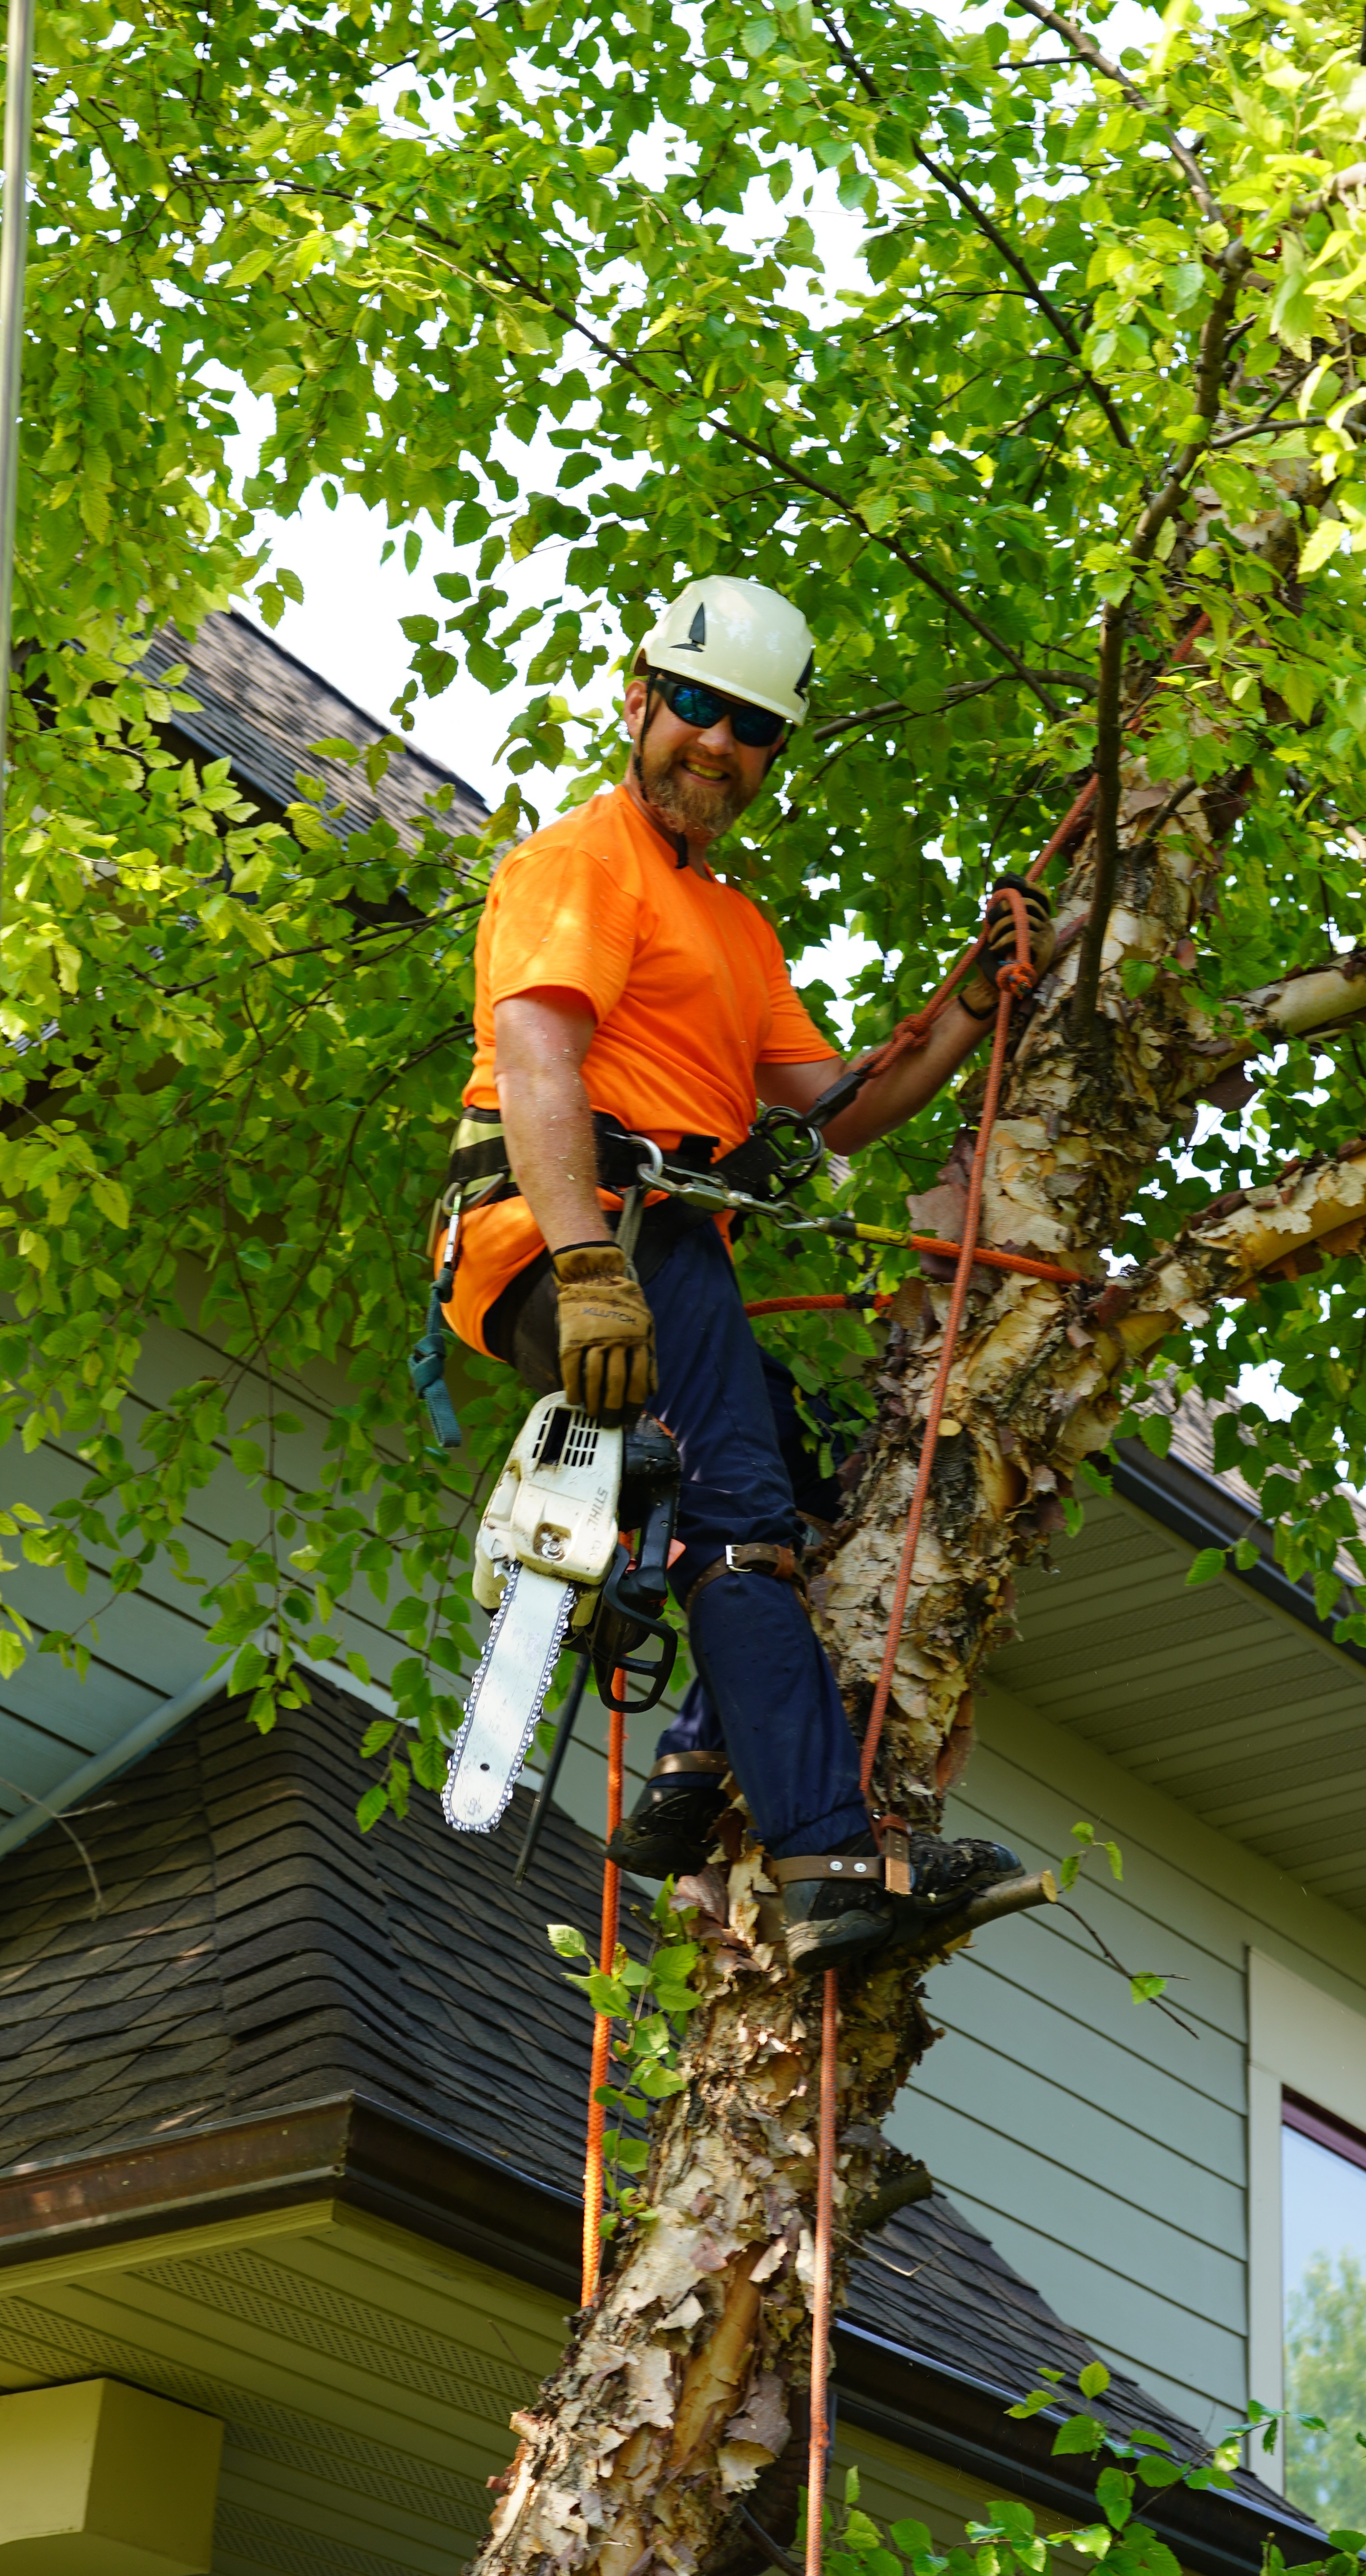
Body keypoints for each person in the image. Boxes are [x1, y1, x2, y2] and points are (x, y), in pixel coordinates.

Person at [439, 574, 1054, 1969]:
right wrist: (587, 1261)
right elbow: (540, 1061)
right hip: (580, 1232)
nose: (717, 747)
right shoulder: (582, 861)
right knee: (736, 1521)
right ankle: (830, 1855)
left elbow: (834, 1108)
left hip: (657, 1245)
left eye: (751, 730)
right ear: (640, 699)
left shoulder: (734, 925)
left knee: (837, 1480)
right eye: (698, 710)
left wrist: (972, 998)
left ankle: (695, 1775)